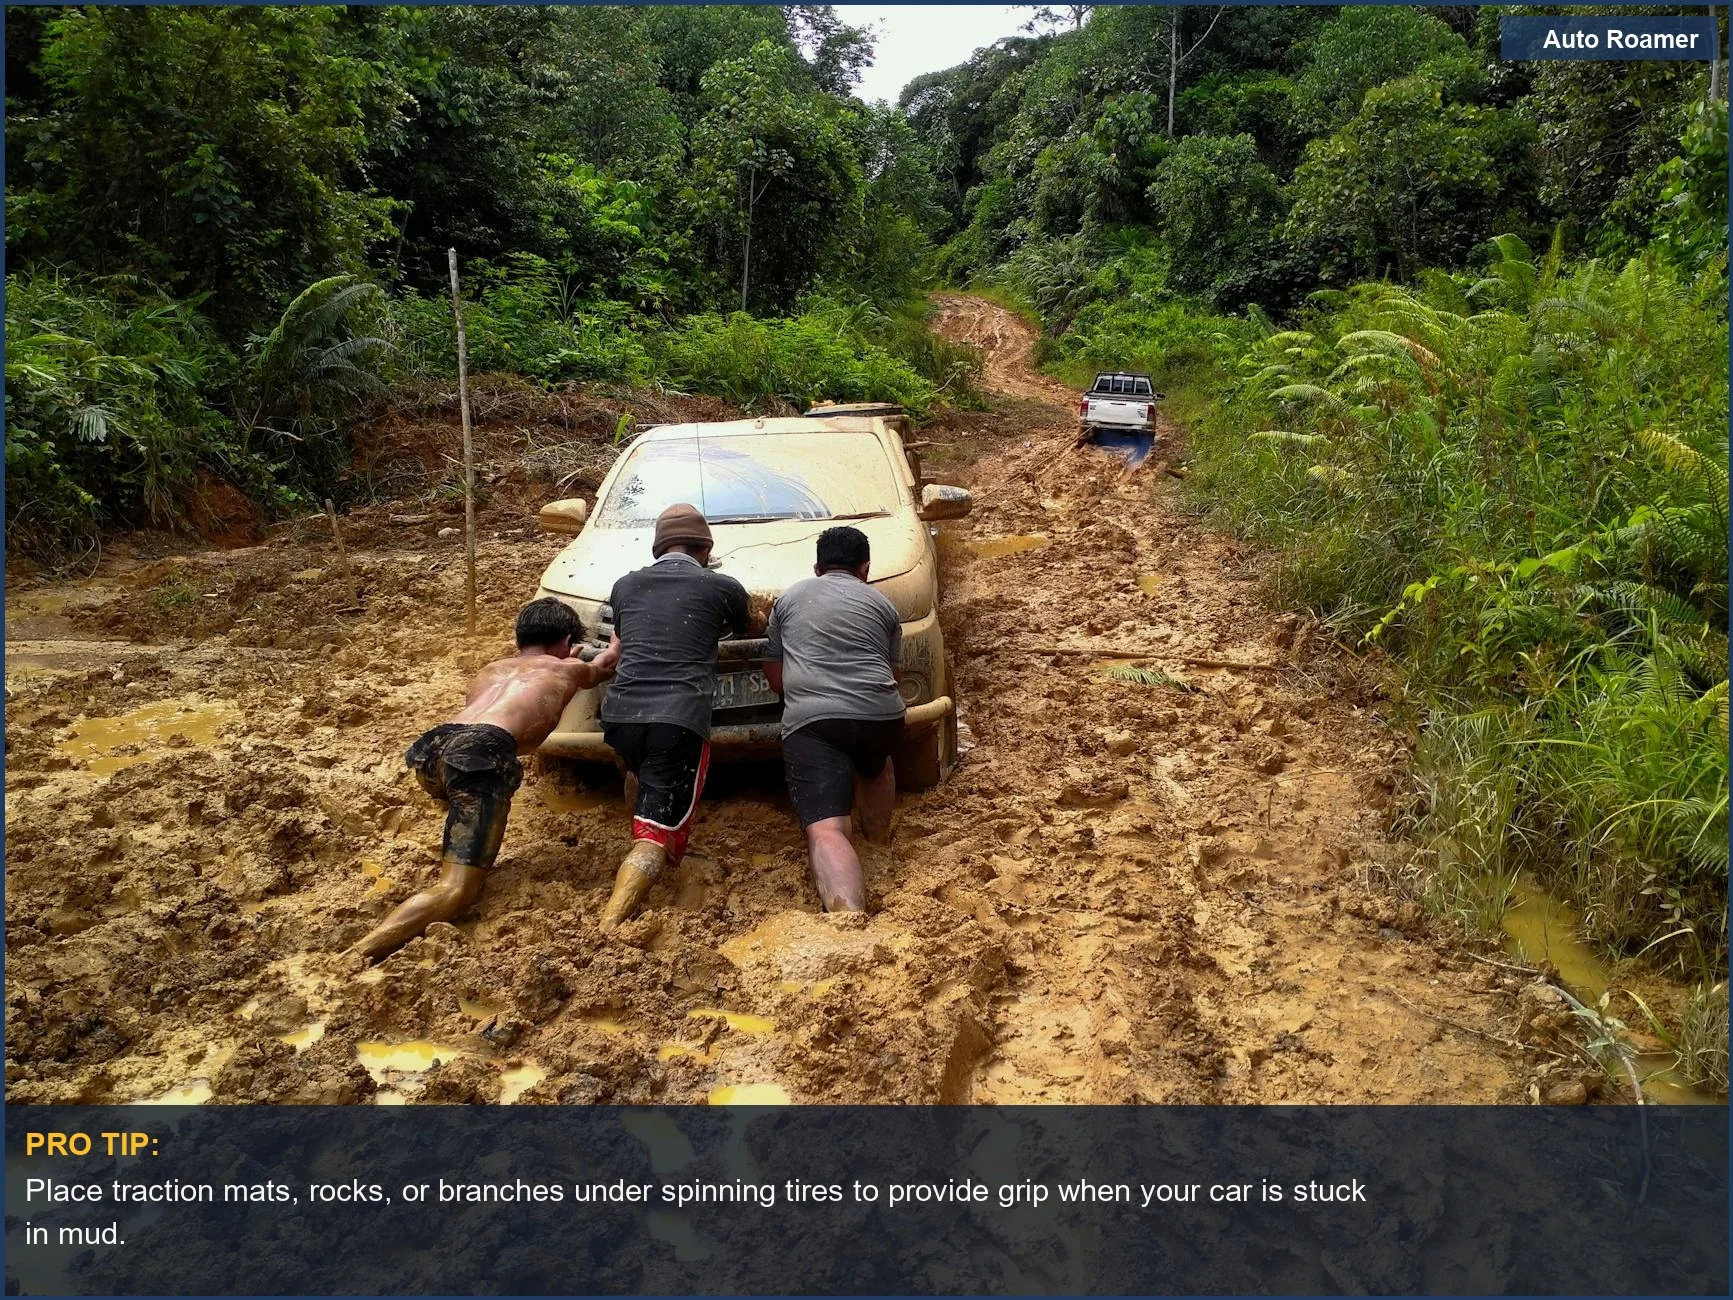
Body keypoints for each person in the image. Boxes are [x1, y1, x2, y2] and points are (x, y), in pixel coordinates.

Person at [352, 598, 618, 963]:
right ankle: (357, 954)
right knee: (456, 891)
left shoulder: (491, 669)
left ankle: (463, 840)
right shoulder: (565, 669)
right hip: (480, 755)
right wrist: (615, 641)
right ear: (566, 641)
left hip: (432, 750)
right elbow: (605, 664)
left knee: (464, 792)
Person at [598, 503, 750, 929]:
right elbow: (749, 626)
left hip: (619, 715)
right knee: (655, 839)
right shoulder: (721, 586)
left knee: (640, 776)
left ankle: (647, 830)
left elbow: (626, 637)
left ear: (658, 548)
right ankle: (609, 925)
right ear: (706, 549)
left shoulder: (625, 586)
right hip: (677, 719)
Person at [763, 525, 905, 912]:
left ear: (816, 567)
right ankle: (878, 847)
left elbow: (777, 681)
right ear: (865, 569)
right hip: (883, 716)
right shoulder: (884, 606)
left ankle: (848, 918)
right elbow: (894, 677)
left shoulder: (789, 600)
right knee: (877, 766)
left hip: (815, 719)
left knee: (828, 829)